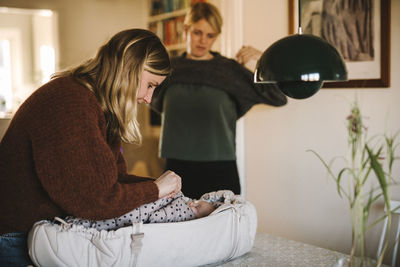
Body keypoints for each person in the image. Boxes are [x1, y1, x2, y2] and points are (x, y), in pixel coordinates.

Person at [0, 29, 181, 266]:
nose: (148, 98)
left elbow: (113, 180)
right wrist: (155, 190)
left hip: (37, 235)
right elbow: (97, 200)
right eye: (150, 85)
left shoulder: (96, 105)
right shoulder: (70, 102)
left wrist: (161, 190)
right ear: (130, 69)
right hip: (15, 239)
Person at [151, 2, 287, 199]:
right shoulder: (168, 69)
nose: (203, 41)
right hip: (175, 169)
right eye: (198, 32)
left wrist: (263, 60)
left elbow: (278, 97)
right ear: (186, 30)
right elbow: (145, 97)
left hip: (220, 169)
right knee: (178, 228)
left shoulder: (228, 71)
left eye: (210, 35)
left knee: (225, 227)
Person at [66, 191, 216, 230]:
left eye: (196, 208)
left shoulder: (184, 214)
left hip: (137, 214)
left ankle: (78, 223)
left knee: (112, 219)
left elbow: (157, 217)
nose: (191, 204)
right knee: (112, 209)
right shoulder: (185, 204)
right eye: (195, 202)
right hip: (142, 206)